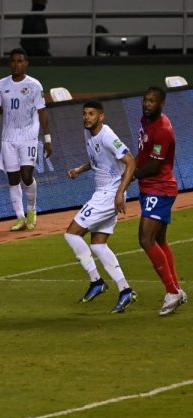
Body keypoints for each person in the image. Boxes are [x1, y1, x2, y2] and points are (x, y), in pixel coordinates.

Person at [65, 101, 137, 313]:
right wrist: (80, 169)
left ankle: (96, 281)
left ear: (101, 116)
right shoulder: (89, 133)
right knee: (98, 245)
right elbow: (99, 161)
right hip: (104, 193)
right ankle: (126, 291)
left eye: (91, 114)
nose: (87, 117)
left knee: (71, 234)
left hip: (109, 194)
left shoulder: (107, 135)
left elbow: (131, 162)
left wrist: (119, 193)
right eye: (85, 114)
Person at [0, 48, 52, 232]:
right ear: (9, 63)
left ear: (26, 63)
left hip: (29, 135)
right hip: (8, 137)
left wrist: (47, 138)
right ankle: (20, 217)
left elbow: (42, 112)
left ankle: (32, 210)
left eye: (20, 61)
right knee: (13, 179)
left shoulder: (35, 85)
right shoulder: (1, 84)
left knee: (26, 176)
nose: (16, 64)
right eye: (13, 61)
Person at [132, 86, 186, 315]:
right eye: (145, 100)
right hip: (149, 188)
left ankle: (171, 291)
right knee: (160, 240)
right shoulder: (146, 120)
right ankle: (178, 289)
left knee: (145, 238)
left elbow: (154, 165)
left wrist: (131, 174)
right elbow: (143, 151)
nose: (147, 104)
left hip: (160, 189)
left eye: (152, 101)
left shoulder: (163, 130)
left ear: (162, 104)